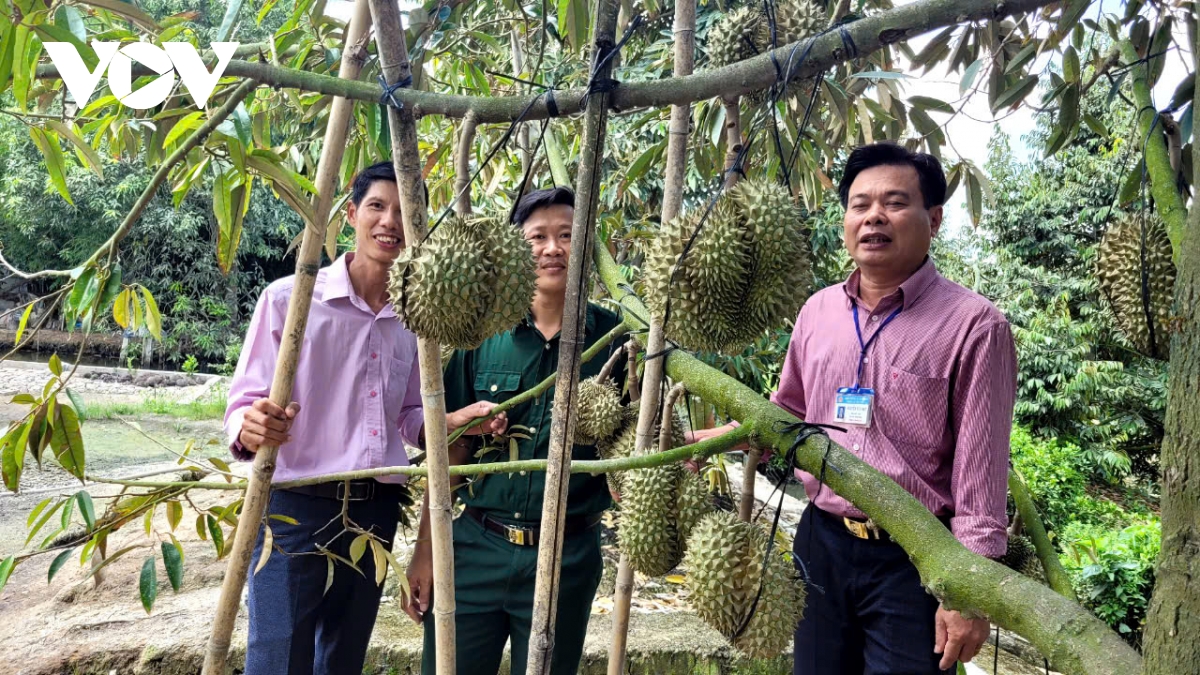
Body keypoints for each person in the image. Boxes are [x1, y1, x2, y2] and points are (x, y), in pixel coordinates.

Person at [691, 142, 1017, 674]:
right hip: (821, 543)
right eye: (860, 204)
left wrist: (969, 593)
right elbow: (786, 414)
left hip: (915, 559)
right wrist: (728, 436)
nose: (874, 217)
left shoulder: (974, 325)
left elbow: (980, 472)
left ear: (933, 219)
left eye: (894, 202)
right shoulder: (818, 310)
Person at [225, 161, 503, 675]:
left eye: (405, 212)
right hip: (295, 509)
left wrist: (455, 421)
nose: (390, 222)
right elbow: (243, 404)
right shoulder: (290, 301)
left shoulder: (418, 320)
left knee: (342, 660)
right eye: (377, 206)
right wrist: (250, 424)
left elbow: (407, 419)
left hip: (374, 513)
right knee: (276, 660)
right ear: (351, 214)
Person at [405, 186, 630, 675]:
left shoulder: (618, 339)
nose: (553, 248)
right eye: (539, 236)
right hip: (474, 547)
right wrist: (426, 551)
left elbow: (639, 440)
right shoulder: (478, 335)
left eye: (567, 235)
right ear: (516, 248)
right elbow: (452, 451)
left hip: (567, 555)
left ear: (587, 244)